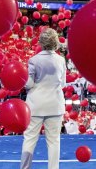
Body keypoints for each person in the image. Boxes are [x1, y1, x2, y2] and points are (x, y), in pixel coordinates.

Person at [21, 28, 67, 169]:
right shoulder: (61, 60)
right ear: (55, 42)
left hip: (35, 105)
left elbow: (29, 84)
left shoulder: (33, 60)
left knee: (29, 139)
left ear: (41, 42)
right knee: (54, 142)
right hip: (55, 104)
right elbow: (63, 83)